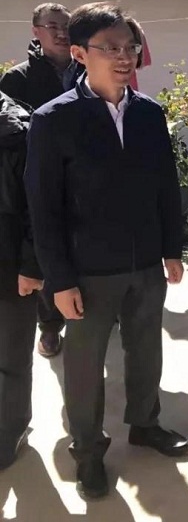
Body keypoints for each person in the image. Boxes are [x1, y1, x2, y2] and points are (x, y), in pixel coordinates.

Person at [24, 2, 188, 500]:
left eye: (130, 47)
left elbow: (166, 186)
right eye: (111, 48)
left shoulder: (148, 114)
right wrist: (59, 279)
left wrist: (171, 247)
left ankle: (145, 422)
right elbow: (43, 207)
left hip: (144, 262)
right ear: (79, 53)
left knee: (146, 349)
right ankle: (89, 450)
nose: (124, 57)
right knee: (84, 366)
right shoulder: (54, 119)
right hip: (88, 269)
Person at [0, 2, 82, 359]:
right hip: (38, 177)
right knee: (47, 249)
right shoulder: (17, 79)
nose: (61, 33)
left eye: (66, 26)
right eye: (52, 26)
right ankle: (49, 326)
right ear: (36, 32)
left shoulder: (88, 70)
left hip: (83, 176)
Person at [0, 90, 43, 470]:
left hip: (10, 265)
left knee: (12, 358)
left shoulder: (18, 128)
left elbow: (37, 205)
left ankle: (10, 432)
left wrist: (31, 266)